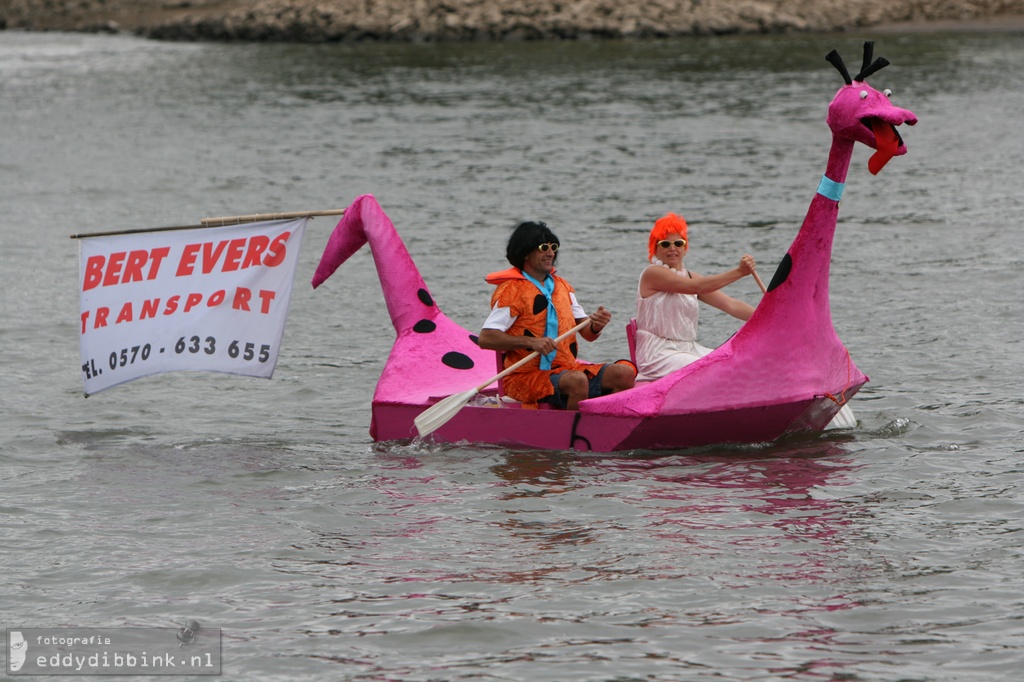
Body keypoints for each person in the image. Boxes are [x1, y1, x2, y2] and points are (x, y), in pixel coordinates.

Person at [478, 221, 635, 410]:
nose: (551, 253)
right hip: (524, 376)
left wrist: (596, 325)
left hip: (566, 369)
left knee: (624, 374)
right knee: (577, 381)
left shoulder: (562, 287)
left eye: (554, 247)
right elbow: (486, 338)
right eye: (544, 247)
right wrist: (531, 342)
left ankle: (604, 423)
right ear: (525, 252)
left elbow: (587, 334)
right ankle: (575, 434)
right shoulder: (512, 291)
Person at [635, 212, 757, 381]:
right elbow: (695, 287)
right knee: (712, 369)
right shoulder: (653, 273)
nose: (672, 248)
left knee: (737, 363)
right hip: (658, 354)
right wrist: (739, 272)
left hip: (689, 349)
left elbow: (731, 305)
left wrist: (768, 318)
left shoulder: (690, 275)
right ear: (655, 248)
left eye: (678, 243)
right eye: (665, 244)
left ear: (685, 248)